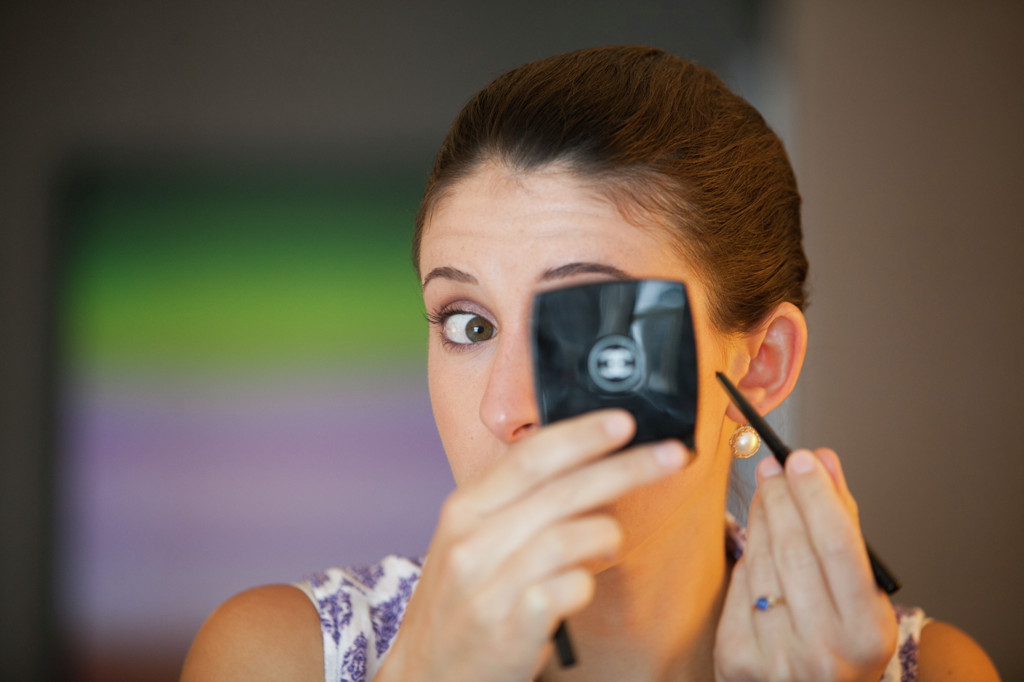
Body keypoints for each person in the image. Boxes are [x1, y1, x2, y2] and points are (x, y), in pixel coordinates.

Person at [181, 46, 999, 682]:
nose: (507, 409)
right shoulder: (280, 656)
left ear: (759, 366)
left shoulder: (933, 671)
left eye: (590, 329)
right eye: (469, 324)